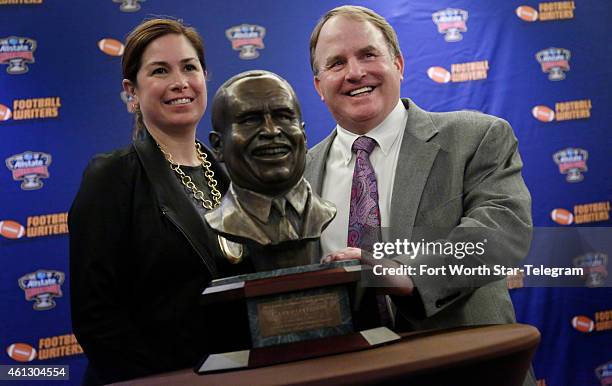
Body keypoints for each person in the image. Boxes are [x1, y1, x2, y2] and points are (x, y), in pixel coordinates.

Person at [306, 4, 533, 355]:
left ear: (398, 64)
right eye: (336, 63)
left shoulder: (477, 137)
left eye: (368, 54)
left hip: (467, 371)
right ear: (319, 86)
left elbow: (501, 231)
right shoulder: (299, 176)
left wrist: (408, 275)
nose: (355, 72)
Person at [69, 19, 245, 384]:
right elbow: (98, 320)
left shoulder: (235, 173)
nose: (180, 82)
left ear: (204, 77)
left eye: (189, 67)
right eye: (160, 71)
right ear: (131, 91)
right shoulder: (112, 178)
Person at [205, 70, 336, 270]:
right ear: (218, 146)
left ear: (303, 133)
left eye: (283, 116)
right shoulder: (220, 224)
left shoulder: (326, 212)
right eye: (250, 120)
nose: (271, 131)